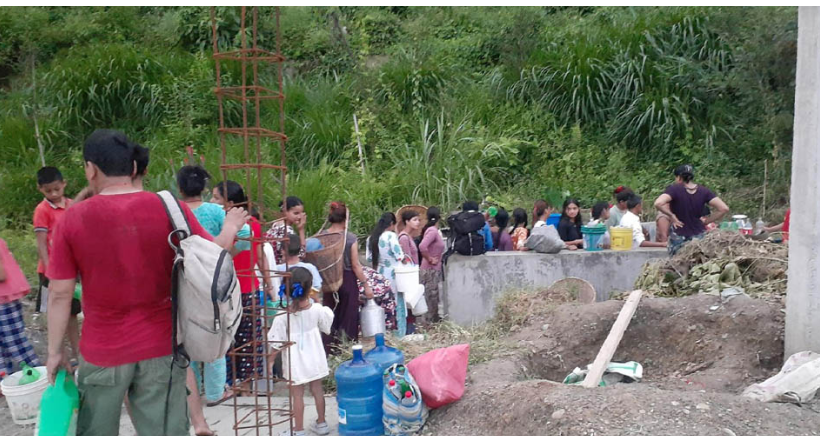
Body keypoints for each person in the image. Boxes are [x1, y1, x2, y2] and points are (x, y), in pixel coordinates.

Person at [46, 129, 248, 436]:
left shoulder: (72, 219)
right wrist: (232, 226)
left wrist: (55, 352)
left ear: (90, 168)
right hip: (161, 347)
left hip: (102, 351)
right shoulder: (169, 208)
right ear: (132, 167)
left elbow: (60, 294)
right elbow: (214, 254)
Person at [177, 166, 256, 409]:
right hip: (213, 279)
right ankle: (215, 392)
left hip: (181, 279)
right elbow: (246, 233)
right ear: (203, 189)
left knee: (184, 333)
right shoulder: (214, 211)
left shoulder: (174, 212)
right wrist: (229, 252)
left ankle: (191, 391)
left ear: (179, 188)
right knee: (216, 329)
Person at [213, 180, 273, 391]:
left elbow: (259, 257)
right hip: (244, 290)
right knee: (246, 341)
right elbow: (259, 258)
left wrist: (270, 286)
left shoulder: (226, 228)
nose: (212, 202)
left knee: (232, 340)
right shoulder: (250, 224)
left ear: (229, 203)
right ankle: (240, 385)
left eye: (216, 198)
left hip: (235, 290)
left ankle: (235, 385)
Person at [268, 267, 334, 436]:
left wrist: (269, 363)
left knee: (297, 395)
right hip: (315, 357)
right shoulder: (317, 309)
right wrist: (316, 299)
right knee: (317, 390)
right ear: (309, 288)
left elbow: (276, 343)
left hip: (295, 360)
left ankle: (298, 430)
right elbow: (326, 326)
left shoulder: (282, 317)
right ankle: (322, 423)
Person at [33, 166, 81, 362]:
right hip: (50, 271)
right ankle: (59, 355)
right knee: (54, 313)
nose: (53, 194)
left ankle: (78, 353)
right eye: (48, 191)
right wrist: (49, 269)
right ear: (40, 189)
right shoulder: (42, 210)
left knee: (71, 313)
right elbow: (42, 243)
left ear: (64, 184)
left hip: (72, 269)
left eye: (56, 189)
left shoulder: (72, 205)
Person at [320, 202, 374, 349]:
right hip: (347, 280)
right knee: (348, 316)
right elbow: (356, 265)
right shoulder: (349, 238)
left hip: (328, 281)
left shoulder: (322, 236)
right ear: (345, 219)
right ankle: (346, 349)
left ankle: (330, 348)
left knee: (330, 314)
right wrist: (366, 285)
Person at [654, 164, 730, 255]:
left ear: (679, 178)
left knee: (677, 265)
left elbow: (658, 203)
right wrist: (707, 221)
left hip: (679, 235)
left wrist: (672, 216)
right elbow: (724, 208)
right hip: (698, 236)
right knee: (697, 264)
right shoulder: (704, 191)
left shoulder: (674, 189)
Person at [0, 237, 41, 377]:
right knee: (5, 343)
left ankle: (36, 373)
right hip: (5, 298)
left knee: (15, 341)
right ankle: (4, 377)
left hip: (4, 300)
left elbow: (1, 274)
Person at [366, 212, 411, 337]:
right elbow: (399, 255)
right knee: (396, 301)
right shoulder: (390, 236)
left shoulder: (372, 238)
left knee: (383, 302)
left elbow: (369, 258)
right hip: (393, 273)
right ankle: (399, 332)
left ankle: (384, 332)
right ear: (391, 224)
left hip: (379, 273)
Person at [397, 210, 422, 333]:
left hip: (413, 273)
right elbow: (405, 259)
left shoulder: (409, 237)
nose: (417, 222)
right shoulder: (404, 238)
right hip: (408, 275)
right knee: (410, 303)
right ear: (407, 222)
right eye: (414, 220)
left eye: (418, 220)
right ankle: (409, 330)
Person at [419, 207, 444, 323]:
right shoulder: (433, 231)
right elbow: (422, 246)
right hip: (430, 269)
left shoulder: (431, 230)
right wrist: (429, 258)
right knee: (431, 296)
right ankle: (429, 321)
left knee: (433, 295)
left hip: (433, 268)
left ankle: (432, 320)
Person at [265, 196, 307, 265]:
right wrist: (301, 230)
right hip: (281, 267)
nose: (299, 217)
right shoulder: (287, 231)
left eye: (301, 213)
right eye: (296, 213)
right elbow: (301, 255)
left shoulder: (276, 224)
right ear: (284, 212)